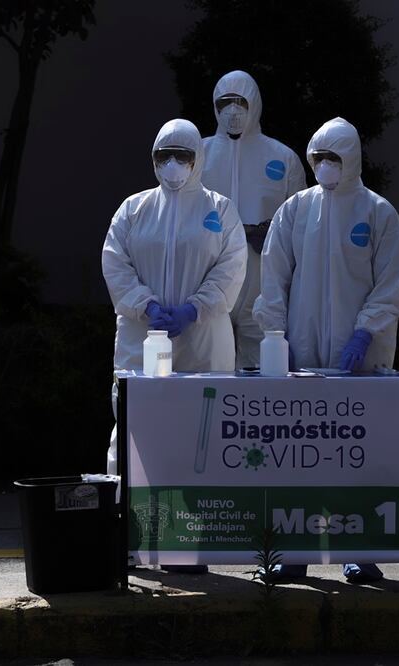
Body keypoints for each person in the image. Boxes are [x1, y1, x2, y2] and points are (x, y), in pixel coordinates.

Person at [252, 117, 399, 584]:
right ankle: (294, 552)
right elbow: (274, 278)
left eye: (334, 158)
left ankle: (358, 550)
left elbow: (392, 284)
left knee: (359, 453)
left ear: (353, 159)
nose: (324, 166)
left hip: (359, 359)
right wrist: (278, 339)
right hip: (303, 355)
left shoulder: (378, 212)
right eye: (317, 157)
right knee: (300, 454)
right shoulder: (295, 210)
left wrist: (365, 332)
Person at [103, 118, 247, 574]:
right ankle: (124, 534)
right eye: (163, 155)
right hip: (143, 339)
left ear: (197, 160)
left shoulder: (220, 210)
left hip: (202, 341)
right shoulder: (134, 209)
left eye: (182, 156)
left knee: (198, 436)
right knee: (134, 430)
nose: (172, 165)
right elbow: (115, 263)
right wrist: (145, 306)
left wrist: (195, 308)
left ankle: (188, 544)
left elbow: (231, 268)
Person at [201, 70, 307, 370]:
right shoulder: (198, 153)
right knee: (210, 365)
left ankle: (256, 417)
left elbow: (297, 225)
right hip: (211, 273)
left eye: (240, 102)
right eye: (224, 103)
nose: (232, 111)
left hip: (263, 277)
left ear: (255, 104)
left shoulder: (283, 158)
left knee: (261, 365)